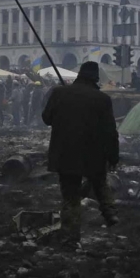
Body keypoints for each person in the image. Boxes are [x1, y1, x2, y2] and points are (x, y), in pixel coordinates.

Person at [42, 62, 119, 245]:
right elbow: (110, 131)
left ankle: (70, 235)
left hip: (66, 152)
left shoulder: (59, 93)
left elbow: (47, 119)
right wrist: (113, 156)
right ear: (96, 78)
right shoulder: (102, 99)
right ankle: (111, 215)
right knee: (100, 184)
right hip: (94, 153)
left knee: (71, 196)